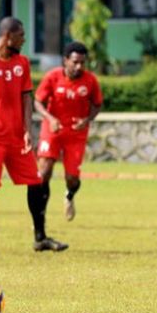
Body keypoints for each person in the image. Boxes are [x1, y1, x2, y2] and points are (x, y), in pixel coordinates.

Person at [0, 17, 68, 254]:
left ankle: (40, 237)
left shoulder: (22, 62)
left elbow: (26, 97)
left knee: (35, 182)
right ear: (8, 36)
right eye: (21, 35)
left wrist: (27, 130)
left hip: (17, 137)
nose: (24, 40)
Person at [35, 41, 102, 221]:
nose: (79, 66)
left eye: (82, 63)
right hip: (52, 130)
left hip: (76, 134)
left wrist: (87, 119)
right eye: (75, 62)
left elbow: (97, 105)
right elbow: (37, 102)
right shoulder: (52, 77)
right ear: (65, 60)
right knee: (43, 172)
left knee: (72, 178)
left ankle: (69, 196)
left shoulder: (90, 81)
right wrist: (50, 118)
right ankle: (40, 216)